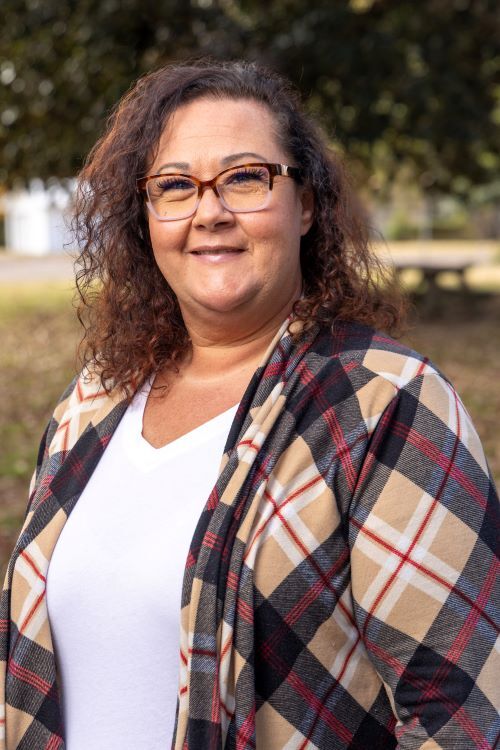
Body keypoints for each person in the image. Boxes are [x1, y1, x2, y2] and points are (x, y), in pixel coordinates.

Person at [0, 59, 498, 750]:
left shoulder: (385, 403)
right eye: (175, 186)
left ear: (308, 204)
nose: (210, 211)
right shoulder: (92, 404)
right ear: (146, 217)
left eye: (244, 178)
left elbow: (459, 717)